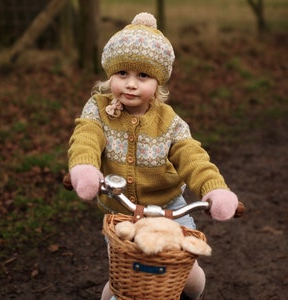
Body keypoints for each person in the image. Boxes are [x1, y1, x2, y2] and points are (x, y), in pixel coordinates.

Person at [67, 12, 238, 300]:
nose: (131, 84)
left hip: (169, 207)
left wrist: (215, 189)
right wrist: (84, 167)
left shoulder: (170, 122)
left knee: (187, 276)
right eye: (122, 74)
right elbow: (86, 137)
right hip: (121, 210)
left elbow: (192, 156)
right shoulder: (97, 108)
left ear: (158, 82)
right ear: (110, 75)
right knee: (123, 277)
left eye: (142, 75)